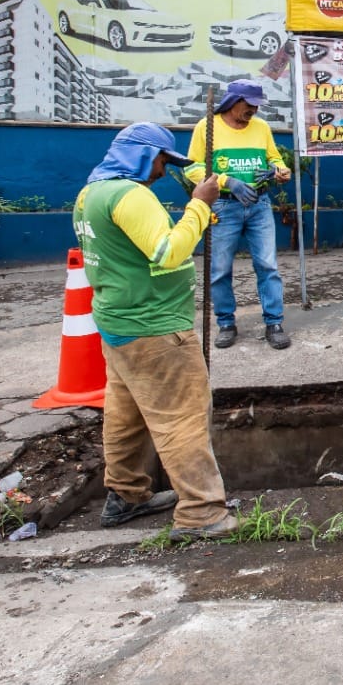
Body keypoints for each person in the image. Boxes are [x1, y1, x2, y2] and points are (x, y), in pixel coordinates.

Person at [73, 123, 236, 540]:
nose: (164, 171)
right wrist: (199, 207)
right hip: (156, 329)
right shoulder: (131, 195)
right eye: (164, 160)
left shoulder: (91, 194)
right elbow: (167, 252)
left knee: (126, 417)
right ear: (145, 155)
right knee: (181, 418)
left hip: (119, 323)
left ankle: (127, 494)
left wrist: (193, 217)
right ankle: (202, 513)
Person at [186, 80, 292, 350]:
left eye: (257, 105)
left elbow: (276, 159)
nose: (254, 110)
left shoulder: (261, 128)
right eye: (249, 104)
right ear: (233, 101)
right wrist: (226, 181)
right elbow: (192, 168)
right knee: (220, 269)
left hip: (259, 204)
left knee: (268, 266)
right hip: (224, 206)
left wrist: (276, 170)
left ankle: (274, 322)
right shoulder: (206, 127)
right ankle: (225, 322)